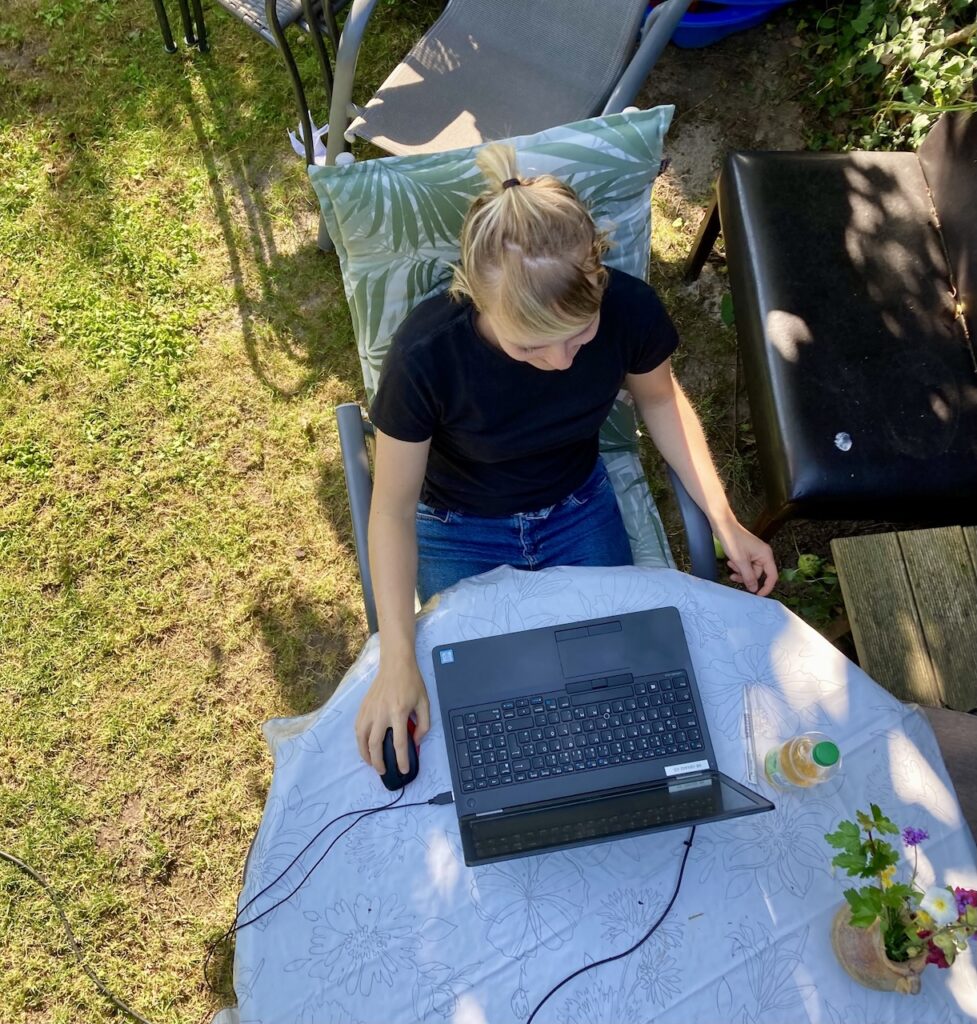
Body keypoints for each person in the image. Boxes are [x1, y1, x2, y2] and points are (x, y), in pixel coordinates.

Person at [355, 143, 777, 777]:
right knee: (486, 700)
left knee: (618, 682)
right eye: (530, 347)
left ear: (598, 278)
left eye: (578, 336)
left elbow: (661, 402)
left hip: (577, 507)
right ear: (475, 297)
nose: (560, 364)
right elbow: (389, 510)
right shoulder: (427, 355)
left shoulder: (628, 309)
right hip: (458, 528)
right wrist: (396, 656)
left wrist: (725, 520)